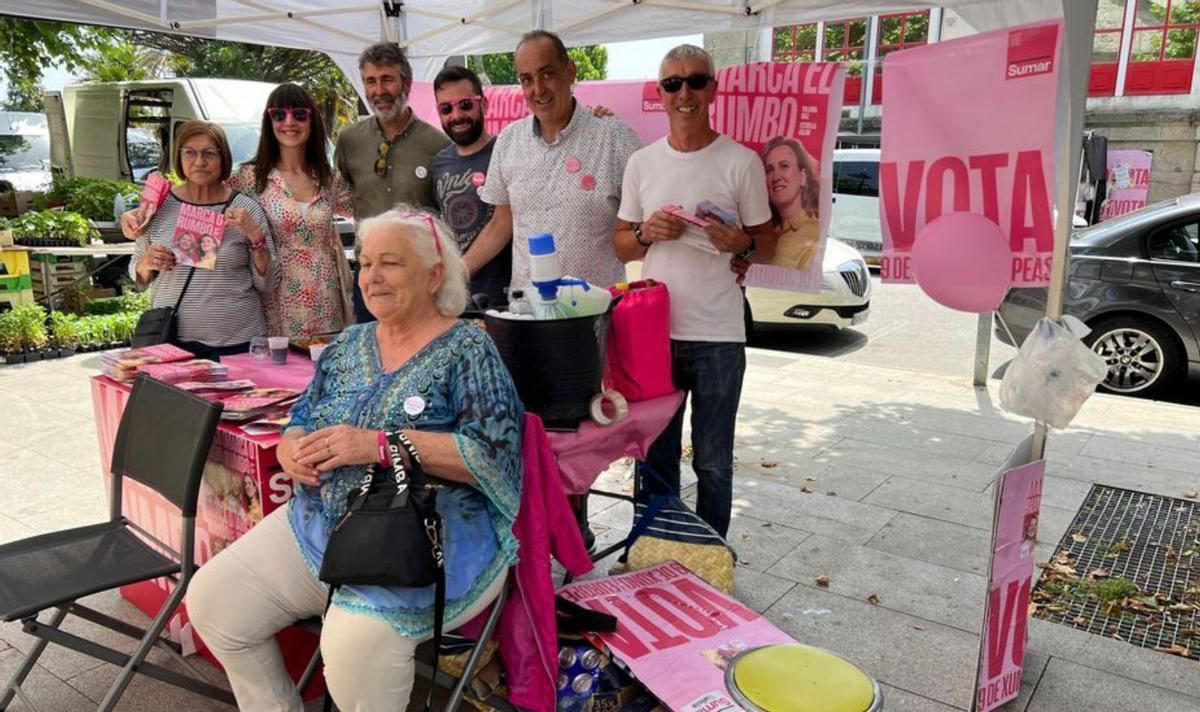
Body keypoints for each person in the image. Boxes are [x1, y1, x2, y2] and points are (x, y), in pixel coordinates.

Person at [186, 209, 523, 712]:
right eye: (364, 263)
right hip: (324, 521)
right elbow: (302, 415)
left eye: (389, 263)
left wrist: (379, 445)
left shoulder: (468, 347)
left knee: (352, 649)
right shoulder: (347, 343)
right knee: (214, 601)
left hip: (430, 532)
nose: (371, 277)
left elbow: (494, 455)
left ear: (434, 275)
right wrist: (291, 448)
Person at [613, 45, 773, 538]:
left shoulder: (741, 162)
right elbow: (620, 243)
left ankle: (710, 555)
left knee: (714, 461)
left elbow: (767, 243)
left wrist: (740, 241)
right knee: (655, 458)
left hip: (720, 333)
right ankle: (654, 548)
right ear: (659, 94)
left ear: (713, 88)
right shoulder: (642, 163)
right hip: (654, 335)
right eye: (672, 84)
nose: (685, 93)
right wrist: (646, 234)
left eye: (695, 81)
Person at [473, 30, 642, 293]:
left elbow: (647, 218)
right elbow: (500, 223)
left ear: (570, 71)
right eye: (527, 79)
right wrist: (456, 271)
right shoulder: (508, 141)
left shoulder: (613, 136)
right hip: (530, 313)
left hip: (595, 314)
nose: (538, 89)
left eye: (547, 73)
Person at [122, 120, 279, 361]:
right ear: (179, 156)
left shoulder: (246, 210)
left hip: (237, 343)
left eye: (209, 154)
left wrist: (257, 239)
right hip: (173, 342)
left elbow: (268, 284)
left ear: (223, 158)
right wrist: (146, 263)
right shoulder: (159, 206)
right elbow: (138, 275)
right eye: (190, 153)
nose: (199, 162)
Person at [229, 83, 356, 338]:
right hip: (276, 303)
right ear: (269, 121)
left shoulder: (330, 179)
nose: (289, 122)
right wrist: (144, 214)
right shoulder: (249, 178)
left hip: (326, 302)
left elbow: (369, 210)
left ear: (312, 120)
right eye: (279, 114)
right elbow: (206, 201)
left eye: (299, 114)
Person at [336, 42, 449, 323]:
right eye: (370, 81)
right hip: (370, 284)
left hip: (419, 284)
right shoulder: (349, 141)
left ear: (406, 84)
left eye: (387, 79)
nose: (378, 91)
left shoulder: (438, 145)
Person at [430, 65, 511, 306]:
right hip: (456, 299)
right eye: (446, 108)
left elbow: (505, 221)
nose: (456, 116)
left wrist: (457, 274)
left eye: (465, 104)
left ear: (483, 105)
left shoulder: (506, 152)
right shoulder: (439, 163)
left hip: (503, 298)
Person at [758, 136, 821, 271]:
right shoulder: (768, 233)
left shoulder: (815, 234)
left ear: (803, 177)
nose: (776, 177)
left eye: (784, 166)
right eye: (769, 170)